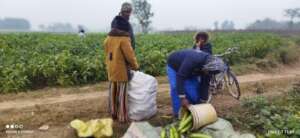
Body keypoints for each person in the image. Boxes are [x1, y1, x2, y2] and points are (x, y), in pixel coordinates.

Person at [167, 49, 225, 117]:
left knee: (193, 91)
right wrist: (182, 98)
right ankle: (178, 115)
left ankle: (193, 112)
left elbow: (205, 84)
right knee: (175, 88)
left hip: (192, 69)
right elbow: (180, 77)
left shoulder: (210, 68)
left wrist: (203, 100)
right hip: (174, 65)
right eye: (207, 72)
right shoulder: (193, 59)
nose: (207, 74)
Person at [103, 12, 139, 122]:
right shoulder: (124, 39)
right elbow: (130, 56)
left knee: (113, 92)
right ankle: (122, 117)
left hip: (111, 68)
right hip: (122, 70)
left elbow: (107, 52)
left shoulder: (108, 38)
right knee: (122, 95)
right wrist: (135, 66)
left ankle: (113, 113)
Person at [193, 32, 213, 101]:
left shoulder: (208, 45)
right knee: (196, 83)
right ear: (197, 38)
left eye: (203, 37)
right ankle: (197, 97)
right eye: (200, 37)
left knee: (205, 83)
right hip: (197, 66)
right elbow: (193, 55)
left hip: (206, 66)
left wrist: (198, 48)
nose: (201, 39)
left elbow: (206, 54)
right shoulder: (195, 46)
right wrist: (197, 46)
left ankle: (204, 99)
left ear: (205, 38)